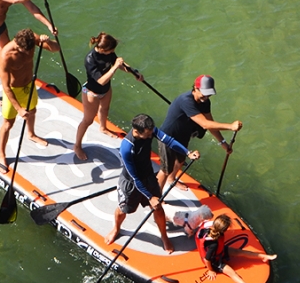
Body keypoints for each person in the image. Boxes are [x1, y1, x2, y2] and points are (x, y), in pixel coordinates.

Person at [105, 114, 199, 253]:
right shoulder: (127, 147)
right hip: (131, 182)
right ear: (137, 131)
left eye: (151, 132)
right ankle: (116, 228)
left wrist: (187, 152)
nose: (151, 136)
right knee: (124, 210)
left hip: (148, 176)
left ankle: (164, 236)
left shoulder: (150, 130)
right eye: (148, 134)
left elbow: (168, 140)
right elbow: (134, 177)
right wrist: (150, 197)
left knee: (158, 208)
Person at [157, 75, 243, 191]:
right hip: (167, 137)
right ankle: (156, 198)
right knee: (166, 169)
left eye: (209, 94)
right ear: (196, 88)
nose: (207, 97)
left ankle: (171, 179)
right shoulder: (186, 100)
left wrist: (223, 142)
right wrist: (230, 126)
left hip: (183, 135)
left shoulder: (205, 102)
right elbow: (204, 124)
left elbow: (210, 123)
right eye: (204, 93)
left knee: (181, 161)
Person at [72, 32, 144, 160]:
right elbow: (100, 81)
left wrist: (134, 72)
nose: (112, 52)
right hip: (91, 93)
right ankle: (77, 145)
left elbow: (120, 64)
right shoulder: (90, 59)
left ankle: (103, 127)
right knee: (87, 121)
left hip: (105, 90)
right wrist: (115, 67)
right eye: (111, 50)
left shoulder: (109, 53)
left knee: (105, 110)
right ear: (101, 49)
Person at [0, 29, 60, 171]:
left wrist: (48, 41)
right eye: (23, 51)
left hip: (29, 86)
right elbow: (6, 87)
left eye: (29, 51)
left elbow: (57, 48)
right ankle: (1, 154)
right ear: (17, 44)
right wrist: (18, 109)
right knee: (8, 124)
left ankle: (31, 134)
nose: (27, 54)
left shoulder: (31, 39)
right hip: (13, 91)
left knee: (32, 110)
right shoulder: (6, 55)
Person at [196, 214, 276, 283]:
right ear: (224, 229)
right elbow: (207, 259)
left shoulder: (211, 229)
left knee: (239, 252)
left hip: (219, 251)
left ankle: (264, 257)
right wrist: (211, 270)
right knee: (232, 273)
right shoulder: (213, 244)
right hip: (214, 261)